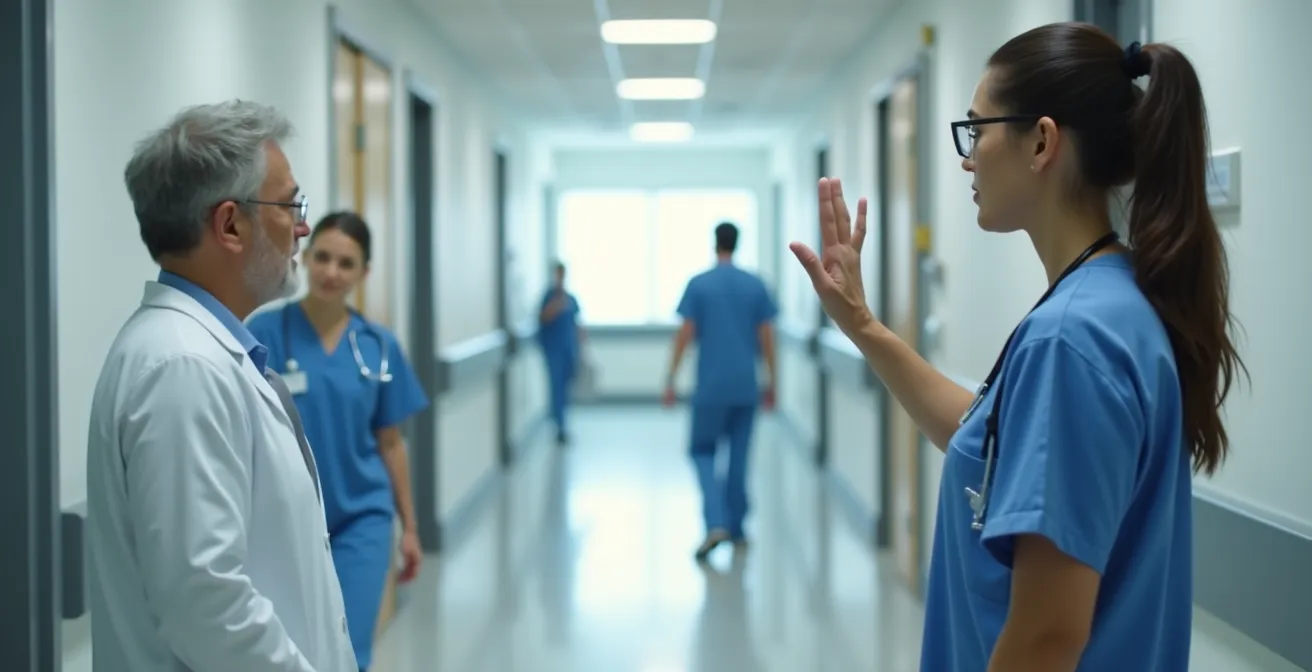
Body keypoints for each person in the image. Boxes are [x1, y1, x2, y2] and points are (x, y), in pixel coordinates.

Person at [791, 23, 1244, 672]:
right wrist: (862, 324)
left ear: (1040, 141)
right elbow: (987, 440)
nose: (967, 158)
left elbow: (1046, 637)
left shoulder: (1072, 338)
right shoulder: (1112, 299)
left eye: (977, 130)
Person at [85, 100, 357, 671]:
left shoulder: (199, 353)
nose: (303, 227)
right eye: (291, 205)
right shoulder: (183, 367)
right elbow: (206, 604)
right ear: (230, 225)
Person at [247, 211, 430, 672]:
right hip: (284, 518)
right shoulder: (264, 334)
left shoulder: (378, 346)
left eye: (346, 263)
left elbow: (390, 443)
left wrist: (409, 527)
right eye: (323, 257)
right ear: (305, 257)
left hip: (362, 517)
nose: (331, 272)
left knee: (350, 651)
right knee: (289, 649)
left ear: (364, 272)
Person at [664, 222, 778, 561]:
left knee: (702, 451)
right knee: (739, 457)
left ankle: (715, 522)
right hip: (745, 386)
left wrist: (670, 378)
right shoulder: (755, 285)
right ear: (737, 244)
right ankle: (737, 527)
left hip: (710, 387)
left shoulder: (699, 285)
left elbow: (685, 334)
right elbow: (767, 337)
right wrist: (772, 381)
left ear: (715, 244)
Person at [536, 261, 586, 444]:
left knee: (566, 387)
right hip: (553, 350)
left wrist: (582, 346)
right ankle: (560, 426)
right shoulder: (549, 297)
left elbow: (577, 324)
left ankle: (562, 420)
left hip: (569, 349)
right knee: (556, 386)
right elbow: (542, 318)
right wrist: (556, 306)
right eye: (557, 274)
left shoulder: (570, 298)